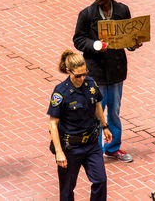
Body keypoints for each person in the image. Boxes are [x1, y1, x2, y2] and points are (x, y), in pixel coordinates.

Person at [73, 0, 141, 162]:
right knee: (97, 111)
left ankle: (112, 148)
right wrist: (95, 45)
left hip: (116, 71)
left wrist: (134, 44)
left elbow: (128, 38)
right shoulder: (86, 14)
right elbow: (78, 39)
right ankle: (93, 150)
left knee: (114, 112)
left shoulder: (122, 10)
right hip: (96, 72)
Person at [47, 49, 113, 201]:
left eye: (85, 73)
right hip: (71, 147)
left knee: (100, 180)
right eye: (78, 75)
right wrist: (59, 152)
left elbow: (97, 104)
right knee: (67, 188)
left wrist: (105, 126)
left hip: (91, 144)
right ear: (69, 71)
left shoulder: (90, 83)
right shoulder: (60, 92)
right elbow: (53, 123)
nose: (82, 78)